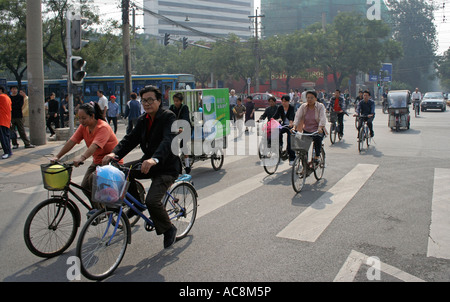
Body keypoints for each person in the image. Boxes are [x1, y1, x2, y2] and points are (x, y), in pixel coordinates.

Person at [102, 85, 181, 249]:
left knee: (152, 201)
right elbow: (130, 140)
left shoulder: (169, 117)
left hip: (166, 166)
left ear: (159, 101)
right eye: (144, 100)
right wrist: (114, 154)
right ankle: (137, 203)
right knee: (123, 172)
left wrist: (155, 159)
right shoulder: (143, 120)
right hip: (148, 163)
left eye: (151, 100)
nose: (147, 103)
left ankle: (168, 229)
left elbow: (168, 140)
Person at [51, 102, 121, 208]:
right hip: (97, 161)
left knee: (93, 179)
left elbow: (94, 146)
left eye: (83, 118)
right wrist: (58, 156)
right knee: (85, 186)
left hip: (111, 161)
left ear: (92, 116)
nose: (81, 121)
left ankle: (107, 207)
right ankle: (98, 210)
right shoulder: (84, 126)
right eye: (79, 118)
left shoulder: (103, 127)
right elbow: (71, 141)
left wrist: (81, 158)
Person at [294, 90, 327, 165]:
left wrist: (320, 127)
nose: (309, 100)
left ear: (315, 98)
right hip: (307, 130)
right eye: (308, 98)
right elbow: (298, 117)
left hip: (317, 130)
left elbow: (323, 118)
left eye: (311, 98)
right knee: (303, 149)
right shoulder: (303, 106)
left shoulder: (320, 106)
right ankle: (304, 167)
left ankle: (317, 156)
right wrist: (294, 126)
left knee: (318, 139)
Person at [169, 92, 191, 172]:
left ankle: (187, 165)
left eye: (177, 101)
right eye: (174, 101)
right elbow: (168, 117)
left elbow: (185, 118)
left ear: (181, 101)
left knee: (183, 145)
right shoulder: (171, 107)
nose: (175, 102)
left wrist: (181, 128)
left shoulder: (184, 107)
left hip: (185, 128)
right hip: (175, 129)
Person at [273, 94, 296, 165]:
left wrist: (291, 123)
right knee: (277, 131)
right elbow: (276, 115)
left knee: (290, 142)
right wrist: (271, 121)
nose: (283, 103)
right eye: (282, 101)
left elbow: (292, 116)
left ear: (288, 101)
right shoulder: (280, 107)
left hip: (291, 126)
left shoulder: (291, 107)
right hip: (283, 125)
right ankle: (280, 145)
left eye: (285, 101)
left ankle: (292, 158)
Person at [0, 86, 13, 159]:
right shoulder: (8, 98)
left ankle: (7, 152)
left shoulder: (1, 97)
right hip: (6, 120)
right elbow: (10, 109)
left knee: (3, 137)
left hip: (1, 120)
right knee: (6, 136)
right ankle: (9, 151)